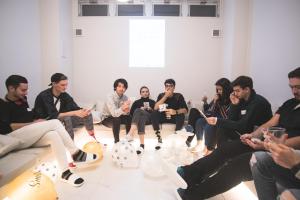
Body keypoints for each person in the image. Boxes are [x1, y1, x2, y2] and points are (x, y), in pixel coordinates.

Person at [164, 69, 300, 200]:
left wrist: (268, 144)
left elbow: (241, 125)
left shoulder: (258, 103)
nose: (294, 91)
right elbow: (268, 124)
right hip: (261, 141)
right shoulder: (289, 103)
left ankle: (193, 194)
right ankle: (189, 173)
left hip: (279, 148)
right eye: (291, 87)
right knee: (224, 148)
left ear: (247, 89)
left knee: (237, 166)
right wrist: (251, 134)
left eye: (298, 87)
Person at [0, 75, 98, 187]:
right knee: (55, 122)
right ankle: (75, 153)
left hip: (28, 134)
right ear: (11, 88)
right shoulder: (2, 104)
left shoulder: (23, 100)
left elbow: (27, 116)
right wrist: (33, 124)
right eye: (23, 90)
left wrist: (36, 121)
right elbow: (7, 127)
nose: (26, 93)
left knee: (53, 135)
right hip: (14, 138)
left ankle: (65, 173)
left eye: (27, 89)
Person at [206, 76, 273, 146]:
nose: (235, 93)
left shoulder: (258, 103)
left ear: (247, 89)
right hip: (244, 133)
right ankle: (220, 151)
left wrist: (217, 121)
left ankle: (221, 152)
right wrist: (234, 105)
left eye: (237, 91)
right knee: (222, 127)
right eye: (234, 91)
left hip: (257, 137)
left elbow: (243, 125)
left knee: (222, 126)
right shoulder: (241, 100)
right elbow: (231, 120)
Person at [34, 73, 96, 140]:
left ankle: (92, 136)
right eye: (62, 85)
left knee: (87, 114)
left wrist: (83, 111)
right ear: (54, 84)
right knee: (66, 118)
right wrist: (74, 112)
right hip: (45, 121)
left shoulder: (64, 95)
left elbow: (75, 108)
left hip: (59, 121)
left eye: (66, 85)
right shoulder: (45, 96)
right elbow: (53, 115)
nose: (65, 87)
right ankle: (71, 145)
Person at [185, 78, 232, 155]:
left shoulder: (231, 99)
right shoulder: (218, 97)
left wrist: (217, 102)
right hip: (212, 117)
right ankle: (199, 144)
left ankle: (208, 148)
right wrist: (207, 102)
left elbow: (226, 115)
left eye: (220, 89)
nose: (218, 92)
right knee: (199, 121)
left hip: (220, 120)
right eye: (217, 90)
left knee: (209, 126)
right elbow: (210, 111)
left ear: (226, 89)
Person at [151, 79, 188, 150]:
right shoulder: (161, 95)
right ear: (165, 87)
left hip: (174, 118)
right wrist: (165, 97)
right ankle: (159, 138)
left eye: (171, 86)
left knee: (181, 114)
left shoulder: (178, 96)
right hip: (163, 117)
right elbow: (155, 108)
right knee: (154, 113)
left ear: (174, 87)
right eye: (167, 86)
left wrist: (175, 111)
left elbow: (185, 110)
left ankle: (176, 136)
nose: (168, 88)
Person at [125, 86, 156, 154]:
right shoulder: (136, 102)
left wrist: (151, 109)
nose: (145, 93)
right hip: (141, 119)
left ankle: (130, 133)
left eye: (146, 92)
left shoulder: (152, 102)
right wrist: (140, 110)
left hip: (149, 118)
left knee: (138, 110)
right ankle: (142, 145)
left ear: (148, 93)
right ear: (140, 93)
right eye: (143, 92)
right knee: (141, 116)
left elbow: (156, 113)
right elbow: (131, 113)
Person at [101, 78, 132, 143]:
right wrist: (123, 108)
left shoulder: (125, 97)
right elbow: (114, 114)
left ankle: (128, 138)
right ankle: (117, 142)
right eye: (119, 86)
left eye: (123, 87)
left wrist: (127, 111)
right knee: (116, 118)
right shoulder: (110, 96)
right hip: (107, 118)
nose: (121, 89)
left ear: (125, 89)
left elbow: (124, 113)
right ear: (115, 87)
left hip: (118, 116)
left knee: (129, 117)